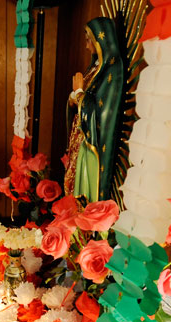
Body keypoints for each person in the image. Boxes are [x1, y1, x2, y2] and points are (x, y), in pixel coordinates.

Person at [63, 17, 124, 204]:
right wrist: (74, 99)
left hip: (90, 146)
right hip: (79, 140)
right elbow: (82, 101)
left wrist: (80, 94)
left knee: (82, 194)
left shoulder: (113, 71)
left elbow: (102, 113)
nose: (87, 46)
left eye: (90, 40)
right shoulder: (96, 67)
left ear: (101, 41)